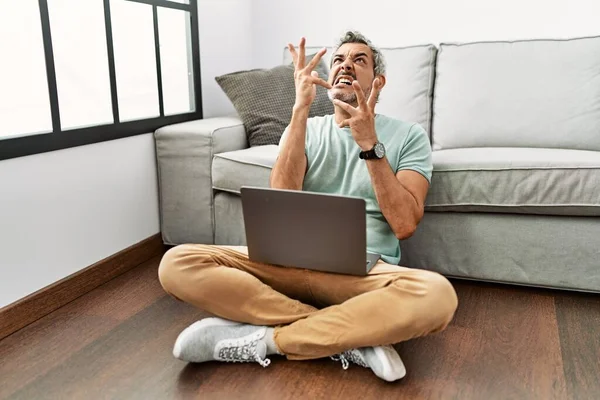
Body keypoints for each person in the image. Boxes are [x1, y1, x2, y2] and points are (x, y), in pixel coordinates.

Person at [158, 31, 458, 382]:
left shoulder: (408, 135)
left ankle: (270, 340)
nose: (346, 65)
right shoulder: (306, 127)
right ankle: (349, 335)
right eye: (339, 61)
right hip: (288, 264)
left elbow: (405, 223)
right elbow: (282, 195)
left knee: (437, 296)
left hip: (363, 271)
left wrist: (370, 145)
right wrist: (299, 109)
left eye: (359, 60)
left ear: (378, 81)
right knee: (177, 262)